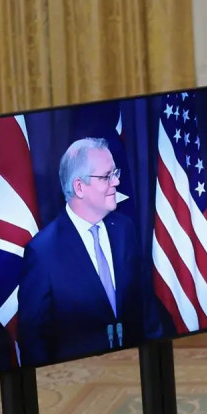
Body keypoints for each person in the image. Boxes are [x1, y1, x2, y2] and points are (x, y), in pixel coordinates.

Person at [18, 137, 162, 367]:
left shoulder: (124, 229)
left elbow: (146, 310)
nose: (116, 182)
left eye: (115, 173)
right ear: (79, 187)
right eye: (107, 176)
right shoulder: (42, 253)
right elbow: (34, 343)